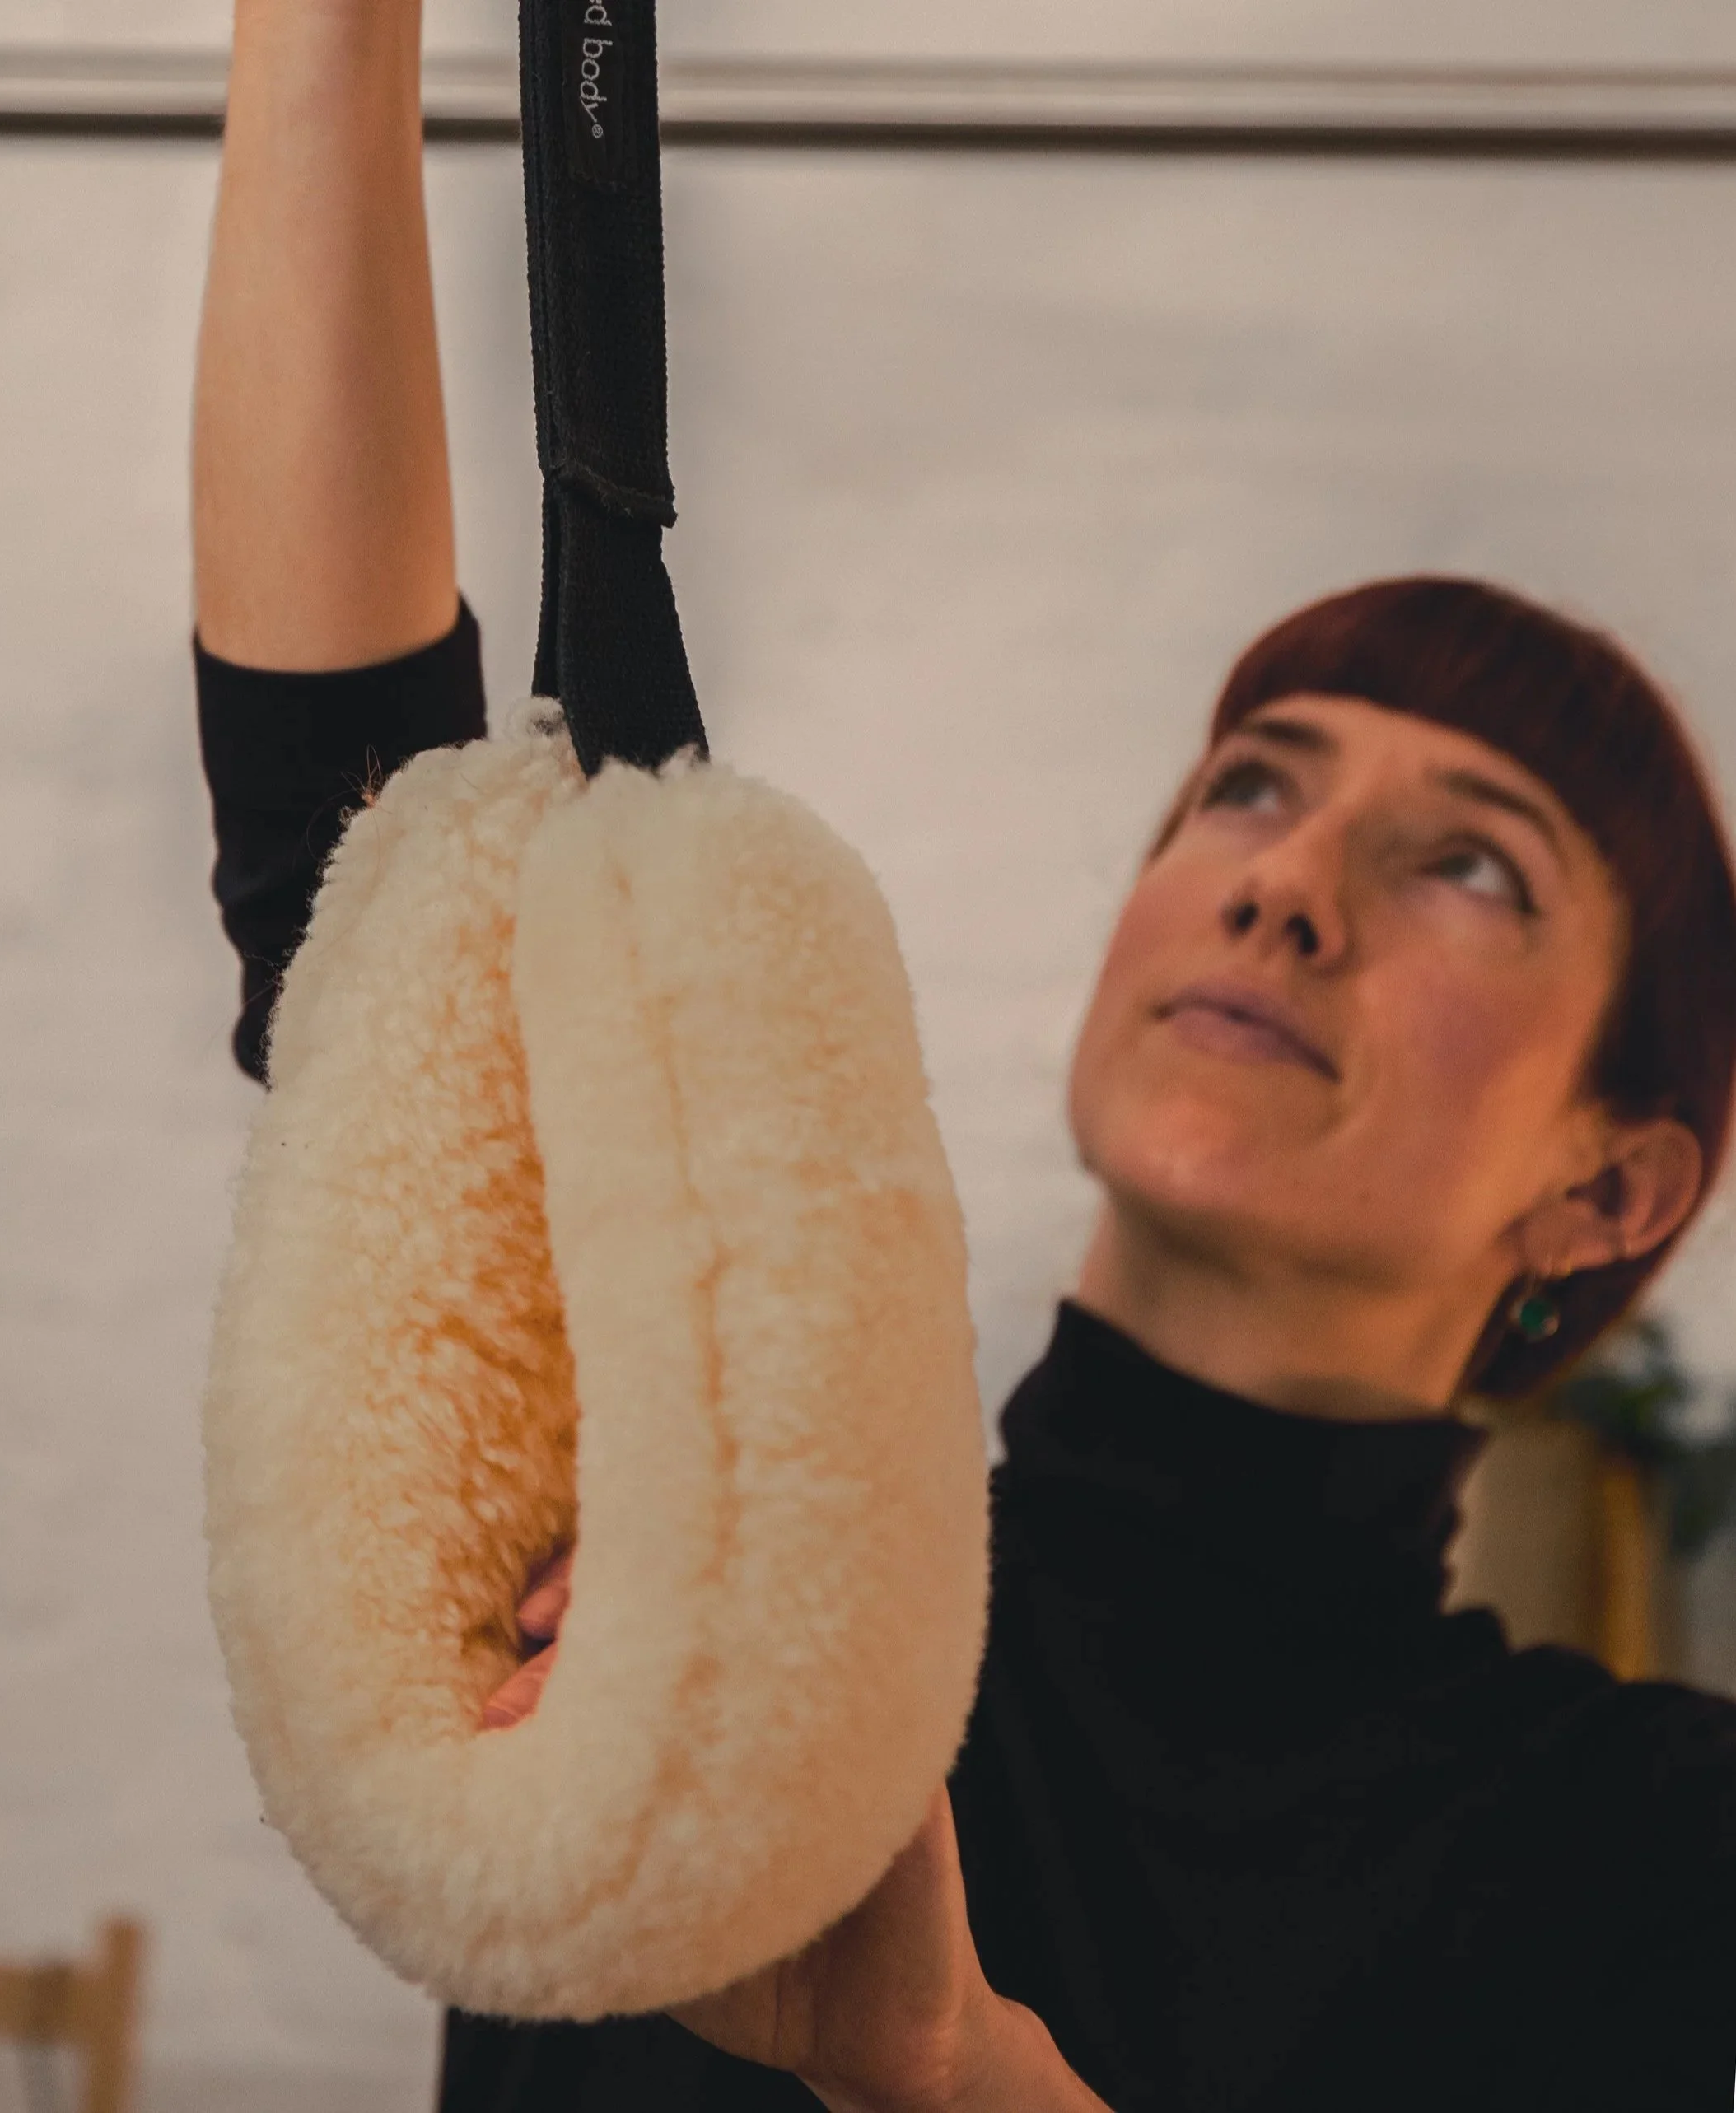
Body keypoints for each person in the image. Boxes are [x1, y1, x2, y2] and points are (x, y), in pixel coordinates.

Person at [191, 3, 1736, 2107]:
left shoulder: (1638, 1855)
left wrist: (937, 2069)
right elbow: (360, 890)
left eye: (1470, 863)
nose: (1287, 886)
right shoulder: (671, 1478)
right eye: (1249, 788)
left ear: (1612, 1183)